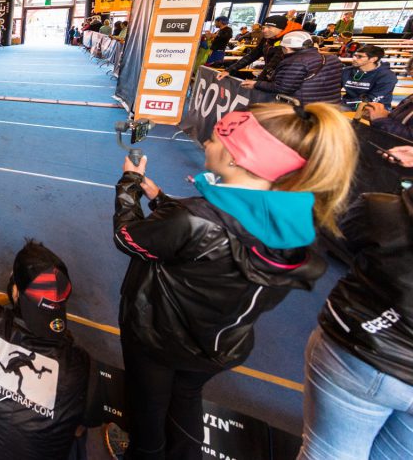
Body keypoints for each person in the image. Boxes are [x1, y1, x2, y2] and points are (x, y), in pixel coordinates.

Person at [114, 103, 357, 460]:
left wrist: (128, 185)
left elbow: (128, 237)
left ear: (236, 158)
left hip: (157, 339)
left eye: (213, 140)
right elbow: (206, 234)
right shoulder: (295, 222)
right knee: (185, 400)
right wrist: (163, 200)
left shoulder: (194, 220)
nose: (208, 145)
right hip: (221, 344)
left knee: (147, 414)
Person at [296, 185, 413, 459]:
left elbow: (341, 236)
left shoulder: (382, 209)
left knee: (330, 453)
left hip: (358, 351)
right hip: (362, 350)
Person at [0, 240, 91, 460]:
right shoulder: (82, 364)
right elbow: (84, 424)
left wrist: (16, 298)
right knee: (78, 434)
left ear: (15, 291)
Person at [242, 30, 342, 105]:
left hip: (306, 107)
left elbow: (283, 88)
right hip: (332, 106)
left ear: (286, 48)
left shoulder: (293, 62)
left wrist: (256, 84)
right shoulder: (333, 58)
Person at [217, 14, 288, 84]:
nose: (265, 30)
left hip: (282, 81)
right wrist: (229, 70)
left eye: (269, 27)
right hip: (270, 77)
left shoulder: (287, 42)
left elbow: (273, 64)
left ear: (281, 28)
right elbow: (252, 55)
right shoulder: (268, 39)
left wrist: (257, 82)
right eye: (263, 28)